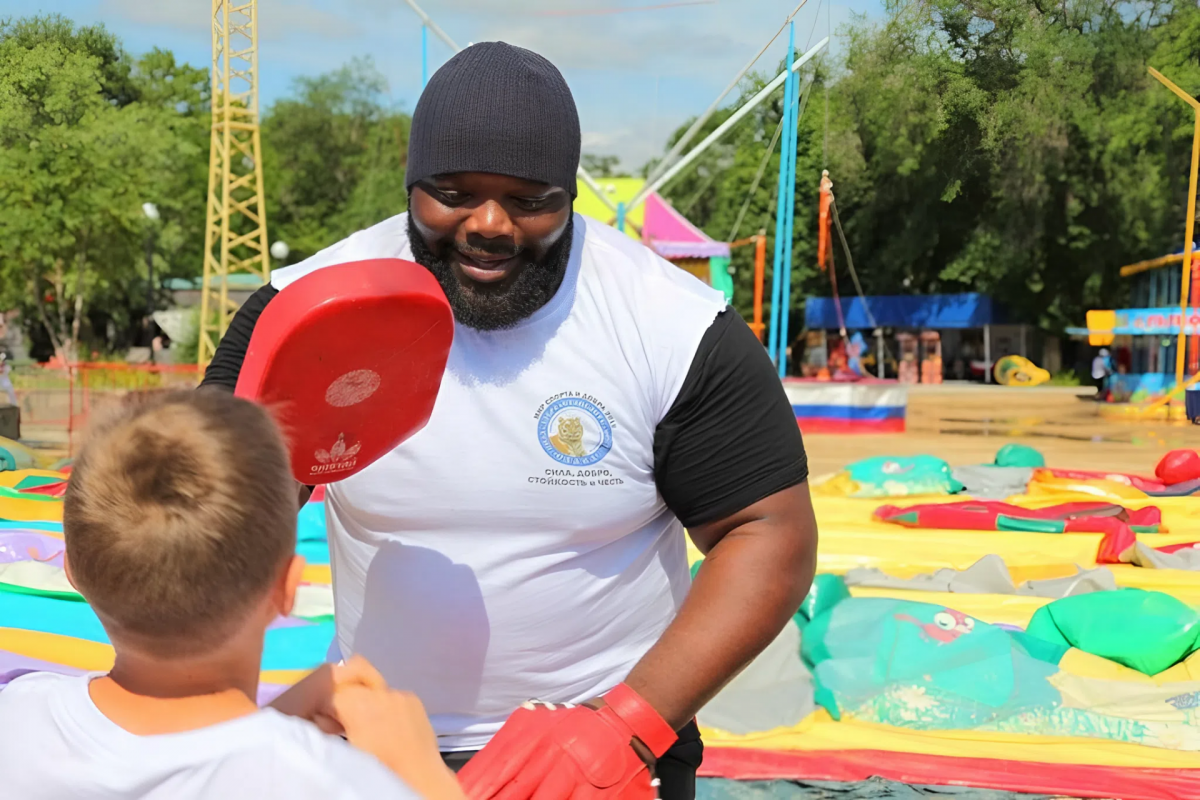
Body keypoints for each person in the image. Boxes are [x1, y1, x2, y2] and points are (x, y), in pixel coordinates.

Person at [201, 42, 817, 799]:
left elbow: (768, 531)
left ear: (569, 196)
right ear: (409, 185)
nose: (489, 224)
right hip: (374, 745)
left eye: (529, 200)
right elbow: (210, 525)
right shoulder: (306, 313)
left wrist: (625, 724)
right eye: (452, 193)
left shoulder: (672, 326)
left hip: (607, 750)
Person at [0, 391, 463, 800]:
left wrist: (274, 721)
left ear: (71, 571)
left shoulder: (19, 717)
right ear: (287, 589)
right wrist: (422, 776)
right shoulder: (335, 782)